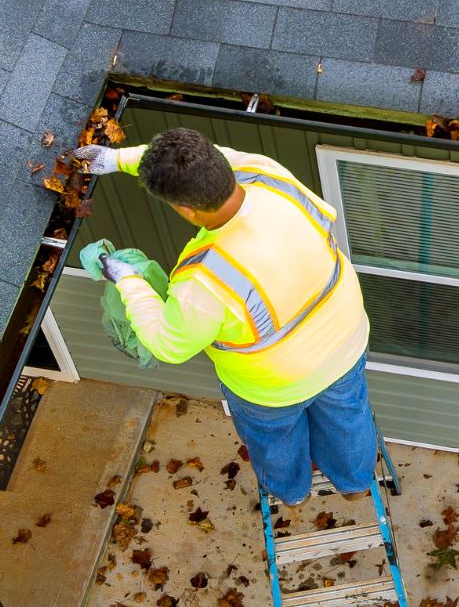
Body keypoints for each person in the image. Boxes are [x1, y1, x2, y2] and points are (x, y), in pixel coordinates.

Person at [76, 128, 379, 506]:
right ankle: (355, 485)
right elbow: (200, 159)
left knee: (275, 440)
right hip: (345, 342)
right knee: (348, 420)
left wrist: (128, 279)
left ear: (186, 210)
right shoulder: (266, 173)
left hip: (272, 387)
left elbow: (167, 344)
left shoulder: (206, 279)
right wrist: (117, 159)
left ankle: (293, 494)